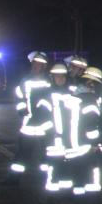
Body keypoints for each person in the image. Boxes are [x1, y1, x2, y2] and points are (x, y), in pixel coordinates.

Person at [28, 63, 79, 193]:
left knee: (67, 168)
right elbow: (41, 118)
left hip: (69, 140)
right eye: (57, 77)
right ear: (52, 78)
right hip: (53, 141)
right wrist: (51, 132)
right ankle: (53, 197)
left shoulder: (73, 94)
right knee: (53, 168)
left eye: (63, 77)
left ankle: (65, 196)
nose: (61, 79)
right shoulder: (46, 96)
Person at [11, 52, 51, 177]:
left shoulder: (49, 81)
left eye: (39, 64)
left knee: (48, 153)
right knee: (22, 153)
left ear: (44, 66)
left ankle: (47, 178)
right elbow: (19, 97)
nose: (36, 66)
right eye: (34, 63)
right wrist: (22, 110)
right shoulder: (25, 81)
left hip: (46, 125)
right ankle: (14, 179)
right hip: (28, 124)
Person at [68, 67, 102, 197]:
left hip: (74, 142)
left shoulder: (75, 96)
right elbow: (91, 126)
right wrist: (95, 144)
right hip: (86, 145)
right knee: (89, 174)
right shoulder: (90, 100)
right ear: (92, 83)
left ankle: (77, 200)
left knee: (77, 175)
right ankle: (87, 202)